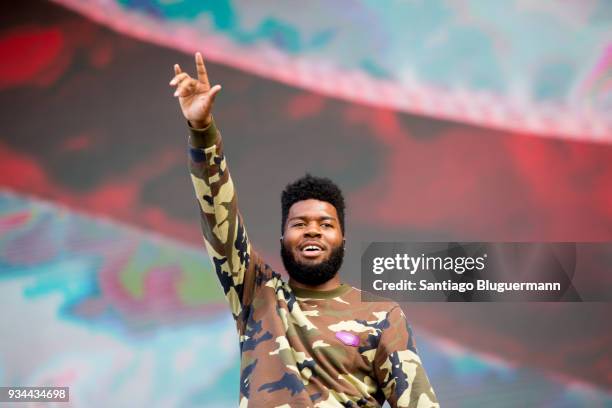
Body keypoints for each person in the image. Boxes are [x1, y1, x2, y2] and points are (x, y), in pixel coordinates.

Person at [170, 52, 439, 408]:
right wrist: (202, 131)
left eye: (325, 224)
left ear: (342, 238)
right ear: (283, 239)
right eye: (300, 224)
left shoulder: (382, 315)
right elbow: (219, 218)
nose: (312, 231)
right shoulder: (257, 295)